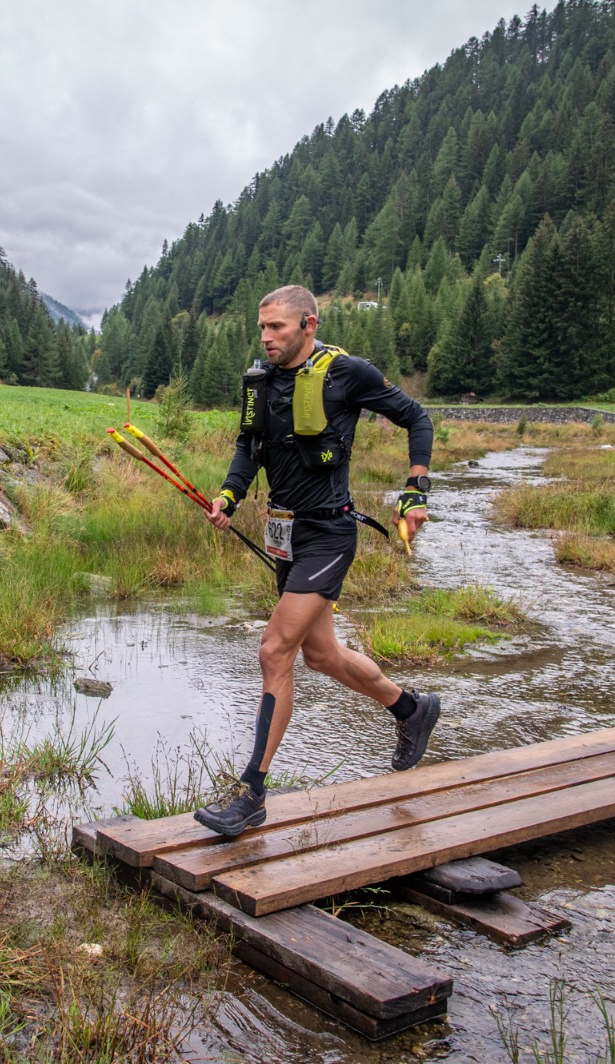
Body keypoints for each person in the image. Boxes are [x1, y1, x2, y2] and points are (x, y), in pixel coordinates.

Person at [194, 284, 439, 837]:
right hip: (284, 533)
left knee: (275, 649)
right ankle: (411, 710)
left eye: (277, 327)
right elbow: (247, 447)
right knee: (323, 656)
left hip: (329, 535)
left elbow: (417, 419)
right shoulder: (261, 380)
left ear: (309, 324)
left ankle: (250, 793)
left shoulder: (348, 373)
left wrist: (415, 490)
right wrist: (230, 496)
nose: (266, 337)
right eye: (262, 328)